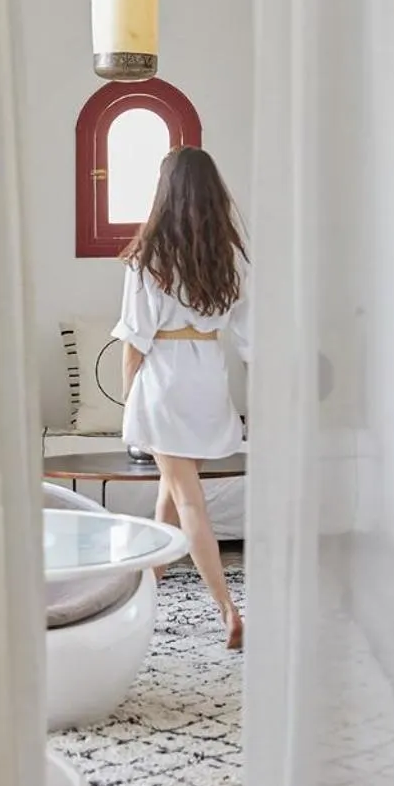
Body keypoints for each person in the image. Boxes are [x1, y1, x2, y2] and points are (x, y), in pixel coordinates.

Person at [113, 147, 249, 651]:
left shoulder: (148, 258)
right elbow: (248, 335)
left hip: (164, 380)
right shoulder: (229, 257)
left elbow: (135, 339)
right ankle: (150, 583)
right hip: (208, 379)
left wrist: (131, 398)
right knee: (170, 492)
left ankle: (226, 608)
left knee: (188, 499)